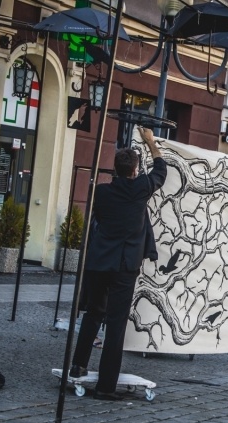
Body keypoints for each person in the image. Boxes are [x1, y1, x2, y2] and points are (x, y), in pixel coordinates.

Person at [69, 127, 166, 400]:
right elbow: (161, 170)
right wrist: (151, 142)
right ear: (135, 171)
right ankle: (106, 387)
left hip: (100, 261)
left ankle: (78, 365)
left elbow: (97, 220)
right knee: (116, 324)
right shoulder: (141, 189)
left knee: (92, 313)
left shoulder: (101, 192)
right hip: (124, 265)